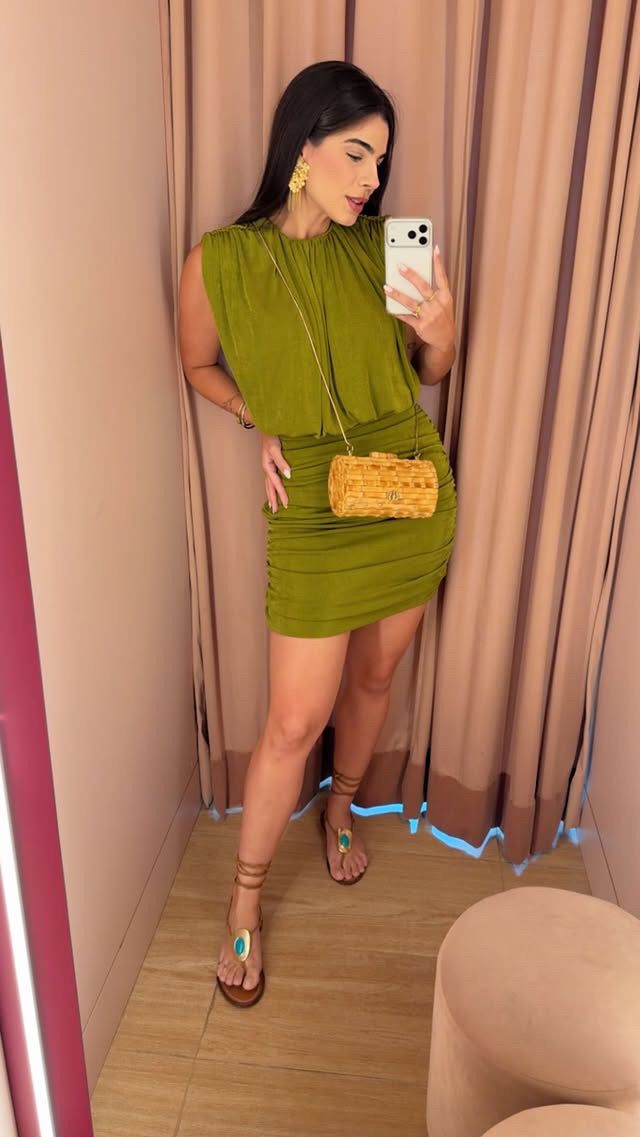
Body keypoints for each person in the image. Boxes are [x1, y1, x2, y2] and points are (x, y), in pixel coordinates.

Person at [178, 60, 457, 1008]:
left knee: (375, 680)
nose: (372, 179)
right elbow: (196, 363)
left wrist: (443, 326)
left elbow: (430, 372)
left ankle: (340, 807)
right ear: (302, 147)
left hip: (407, 489)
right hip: (312, 507)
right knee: (293, 722)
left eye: (381, 160)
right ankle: (245, 899)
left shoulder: (398, 243)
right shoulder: (219, 260)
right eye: (355, 154)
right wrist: (254, 414)